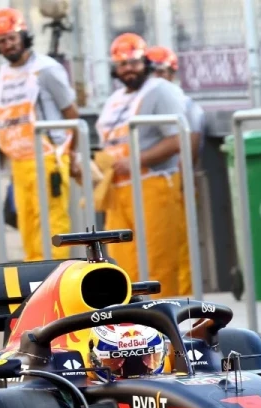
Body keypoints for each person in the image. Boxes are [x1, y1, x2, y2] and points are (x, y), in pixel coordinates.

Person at [95, 33, 192, 297]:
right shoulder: (114, 99)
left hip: (152, 185)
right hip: (118, 192)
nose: (129, 69)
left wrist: (137, 161)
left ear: (145, 62)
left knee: (158, 262)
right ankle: (131, 319)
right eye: (122, 64)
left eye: (134, 62)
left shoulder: (159, 91)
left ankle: (163, 319)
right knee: (121, 265)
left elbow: (177, 139)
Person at [0, 7, 80, 262]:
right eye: (1, 41)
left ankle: (54, 276)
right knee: (27, 225)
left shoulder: (46, 69)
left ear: (23, 36)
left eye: (12, 38)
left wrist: (72, 154)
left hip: (48, 159)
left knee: (51, 224)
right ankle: (35, 278)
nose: (8, 45)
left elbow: (72, 114)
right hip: (20, 162)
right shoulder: (3, 74)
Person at [145, 45, 204, 163]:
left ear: (172, 75)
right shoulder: (137, 104)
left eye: (160, 72)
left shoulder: (188, 108)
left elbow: (189, 156)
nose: (154, 78)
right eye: (150, 72)